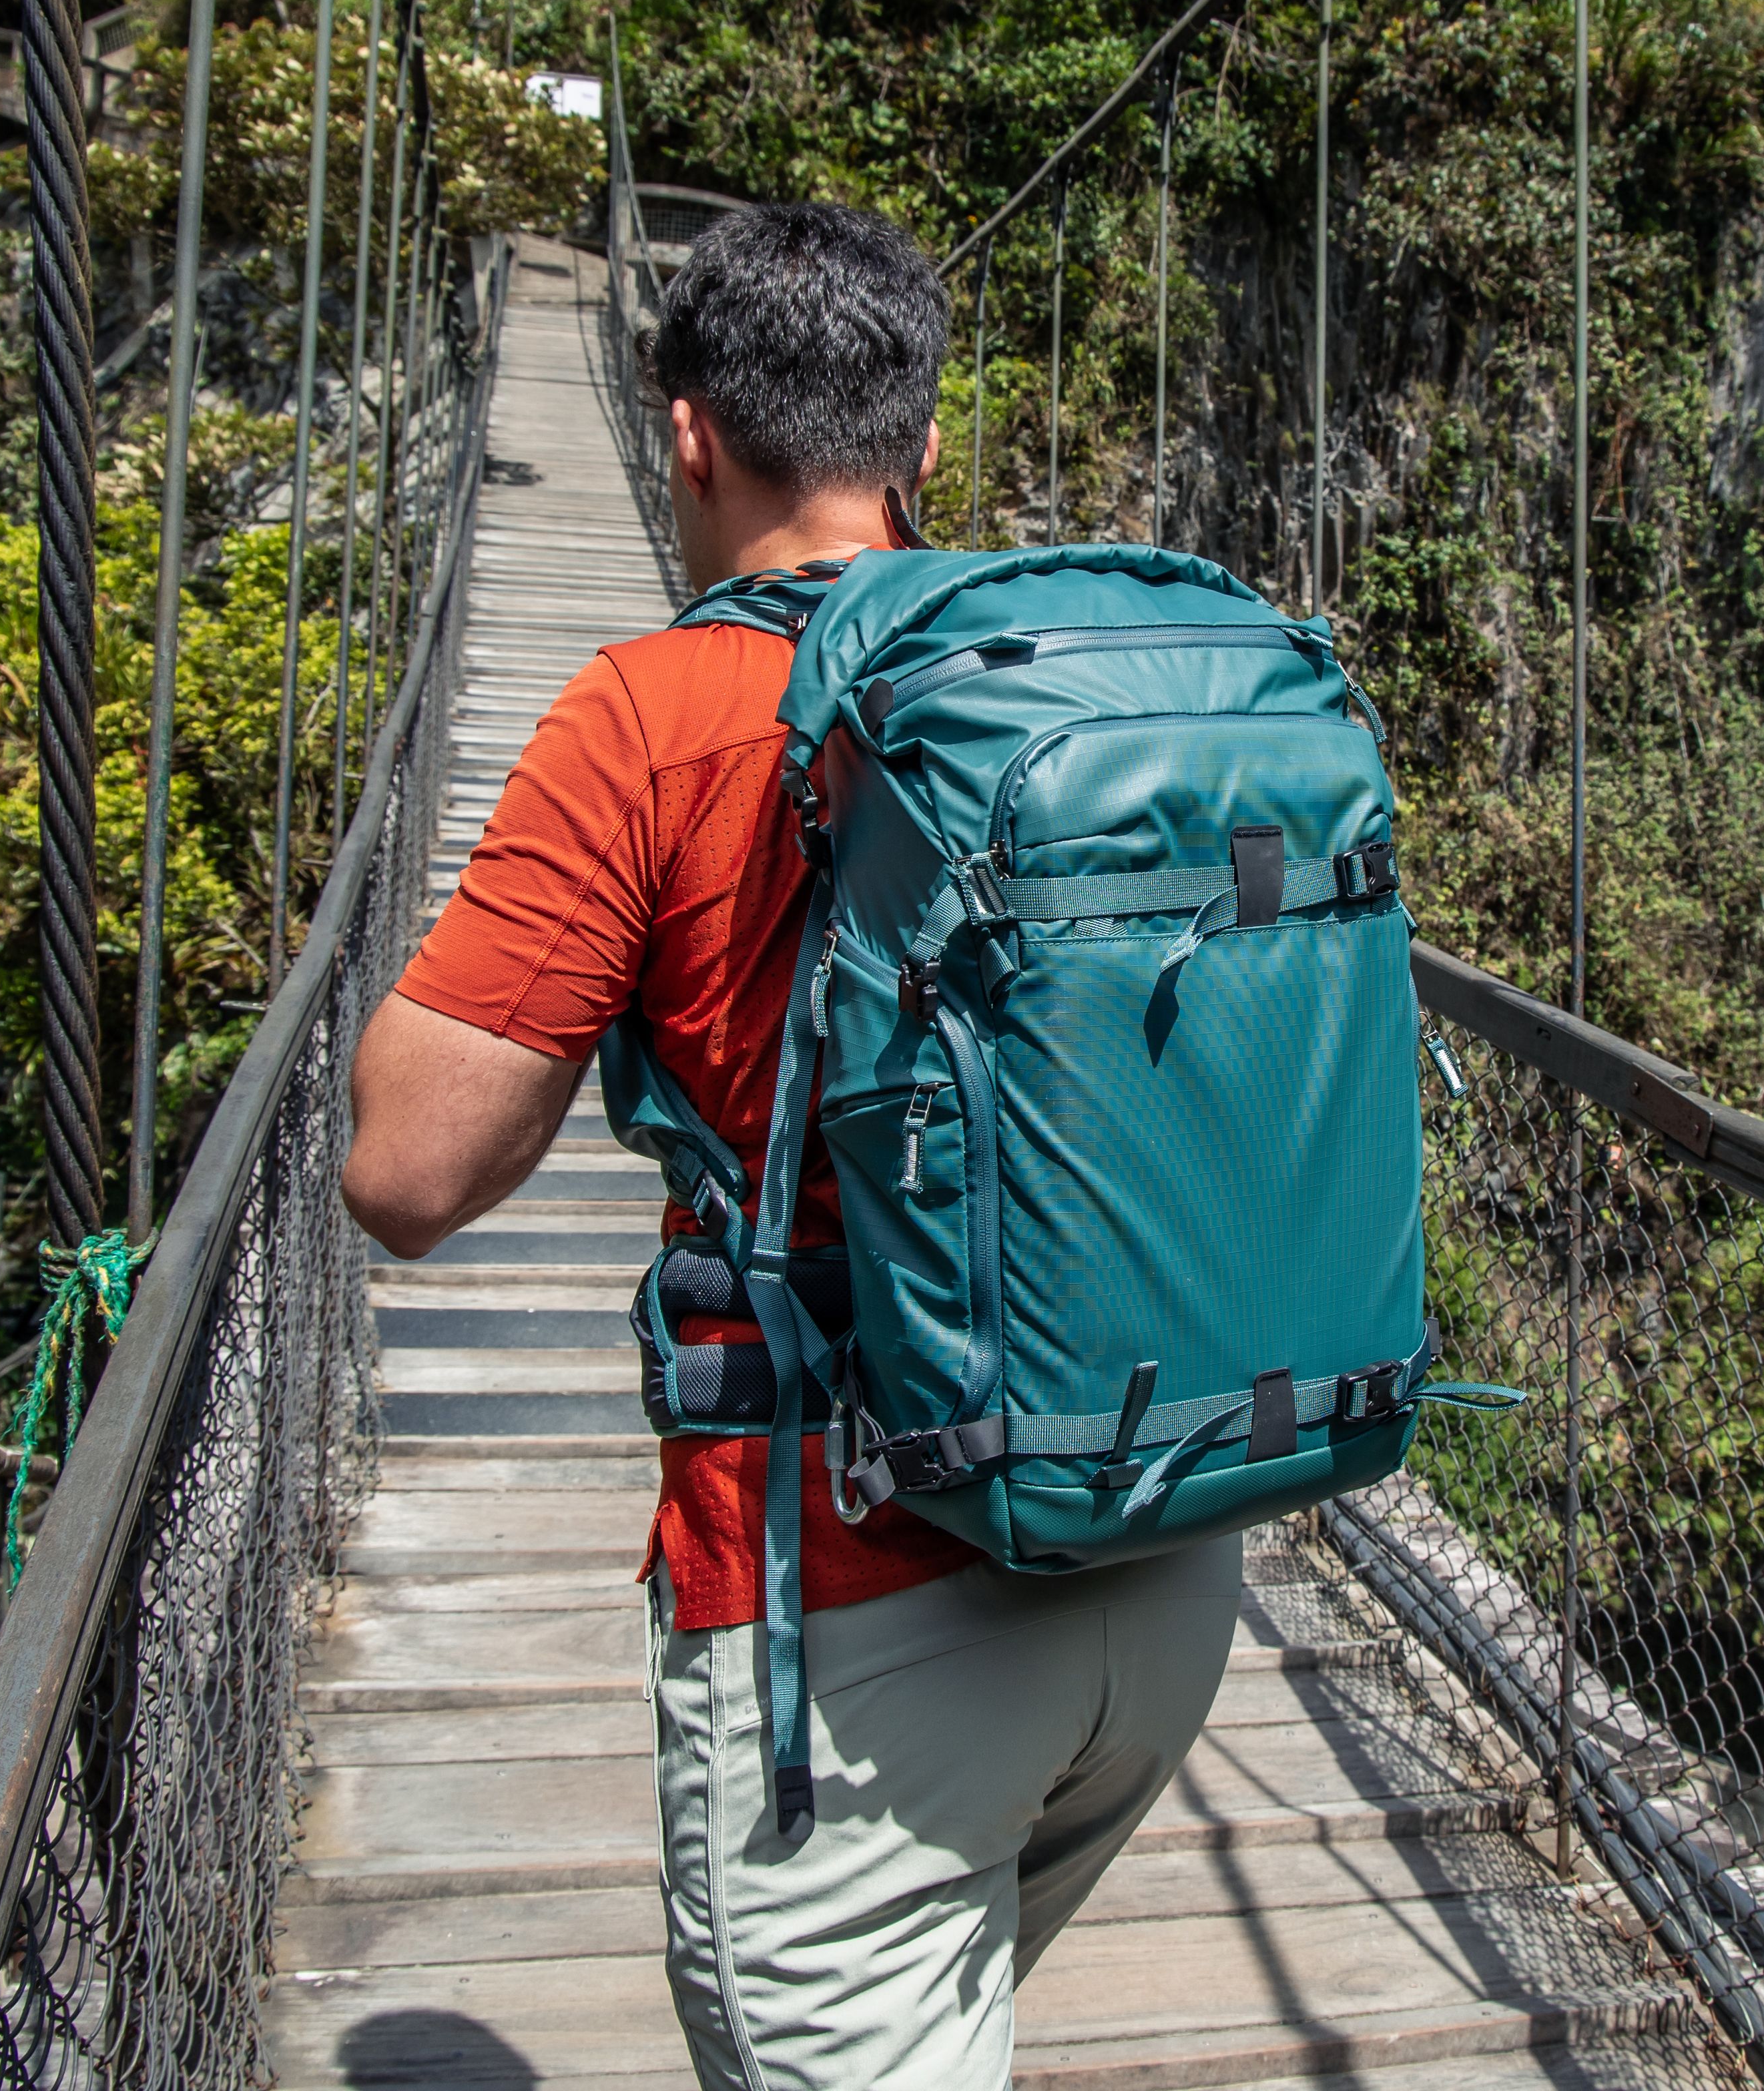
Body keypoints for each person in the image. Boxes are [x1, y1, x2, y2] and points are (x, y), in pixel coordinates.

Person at [340, 202, 1240, 2091]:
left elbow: (408, 1176)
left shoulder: (648, 713)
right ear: (925, 444)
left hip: (859, 1621)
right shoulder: (1085, 661)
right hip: (1168, 1559)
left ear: (681, 435)